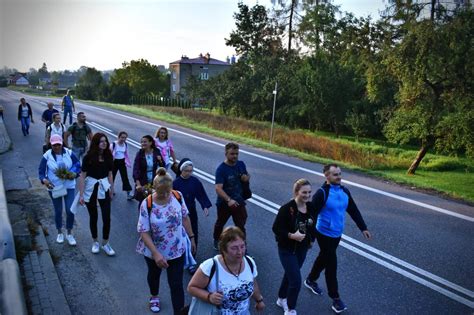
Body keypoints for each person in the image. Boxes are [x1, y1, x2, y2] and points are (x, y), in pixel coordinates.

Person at [304, 164, 372, 314]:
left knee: (324, 257)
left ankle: (310, 279)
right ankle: (335, 298)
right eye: (335, 175)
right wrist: (311, 238)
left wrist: (363, 228)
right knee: (331, 264)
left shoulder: (344, 191)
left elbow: (353, 209)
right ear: (326, 176)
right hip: (324, 232)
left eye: (340, 174)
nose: (339, 177)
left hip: (337, 233)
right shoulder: (322, 193)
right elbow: (312, 216)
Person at [136, 168, 196, 314]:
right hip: (154, 250)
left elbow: (185, 217)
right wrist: (156, 254)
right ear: (154, 188)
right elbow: (143, 231)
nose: (165, 195)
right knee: (154, 275)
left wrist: (192, 237)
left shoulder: (177, 196)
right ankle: (154, 296)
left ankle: (179, 312)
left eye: (167, 191)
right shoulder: (147, 203)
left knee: (176, 284)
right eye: (162, 192)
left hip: (176, 250)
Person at [187, 226, 265, 314]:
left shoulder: (249, 262)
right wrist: (209, 297)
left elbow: (253, 283)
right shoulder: (210, 266)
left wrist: (259, 300)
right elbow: (191, 288)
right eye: (234, 248)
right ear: (223, 249)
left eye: (242, 246)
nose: (240, 252)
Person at [272, 179, 316, 315]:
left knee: (290, 275)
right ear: (297, 192)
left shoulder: (311, 207)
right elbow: (276, 228)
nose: (307, 195)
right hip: (286, 250)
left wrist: (311, 240)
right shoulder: (287, 208)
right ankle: (290, 309)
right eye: (304, 192)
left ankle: (281, 298)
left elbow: (313, 226)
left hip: (302, 250)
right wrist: (291, 235)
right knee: (296, 281)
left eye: (309, 192)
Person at [38, 134, 81, 246]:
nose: (57, 147)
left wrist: (73, 174)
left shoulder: (69, 153)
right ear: (51, 145)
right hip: (54, 187)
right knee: (58, 211)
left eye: (58, 144)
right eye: (54, 145)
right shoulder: (47, 156)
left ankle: (69, 233)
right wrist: (44, 180)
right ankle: (59, 232)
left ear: (62, 143)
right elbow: (41, 172)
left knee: (70, 210)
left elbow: (78, 166)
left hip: (69, 186)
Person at [78, 132, 115, 256]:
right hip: (91, 187)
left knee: (107, 218)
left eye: (105, 141)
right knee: (93, 216)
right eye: (101, 141)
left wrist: (111, 189)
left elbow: (110, 174)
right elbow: (82, 176)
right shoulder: (88, 157)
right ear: (96, 143)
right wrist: (82, 195)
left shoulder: (109, 156)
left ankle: (105, 243)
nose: (104, 143)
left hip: (104, 186)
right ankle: (95, 242)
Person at [172, 158, 212, 274]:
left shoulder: (195, 181)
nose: (189, 173)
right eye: (186, 171)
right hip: (178, 214)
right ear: (181, 170)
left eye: (190, 171)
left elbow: (201, 194)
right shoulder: (175, 183)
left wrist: (205, 206)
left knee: (193, 234)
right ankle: (178, 256)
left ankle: (192, 259)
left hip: (191, 212)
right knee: (179, 235)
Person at [213, 142, 250, 250]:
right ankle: (216, 239)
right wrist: (228, 200)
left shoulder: (241, 164)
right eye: (232, 154)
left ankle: (242, 246)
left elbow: (247, 176)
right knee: (220, 223)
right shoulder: (221, 169)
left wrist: (246, 178)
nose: (235, 156)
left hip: (238, 200)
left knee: (241, 225)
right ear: (226, 153)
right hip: (225, 203)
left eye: (236, 154)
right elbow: (218, 188)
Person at [132, 135, 164, 205]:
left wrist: (160, 160)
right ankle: (142, 215)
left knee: (154, 201)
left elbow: (162, 166)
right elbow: (136, 169)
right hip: (143, 182)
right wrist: (138, 184)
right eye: (142, 142)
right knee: (143, 202)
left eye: (145, 142)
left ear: (150, 143)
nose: (143, 143)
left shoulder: (156, 151)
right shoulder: (140, 154)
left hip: (154, 181)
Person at [110, 131, 133, 200]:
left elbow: (125, 154)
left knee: (125, 177)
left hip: (122, 162)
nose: (123, 139)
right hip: (114, 162)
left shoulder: (125, 144)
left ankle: (128, 193)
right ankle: (110, 191)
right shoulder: (113, 144)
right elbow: (109, 155)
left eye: (125, 138)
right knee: (111, 177)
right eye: (122, 137)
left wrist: (127, 161)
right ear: (118, 137)